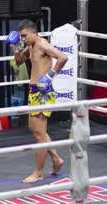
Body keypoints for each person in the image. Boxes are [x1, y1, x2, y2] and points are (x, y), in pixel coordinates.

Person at [7, 19, 67, 183]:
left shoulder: (41, 44)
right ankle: (56, 159)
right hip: (34, 92)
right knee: (35, 130)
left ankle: (38, 173)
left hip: (43, 93)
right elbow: (19, 62)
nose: (23, 39)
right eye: (21, 36)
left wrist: (49, 75)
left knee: (40, 134)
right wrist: (15, 47)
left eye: (25, 36)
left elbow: (62, 57)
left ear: (34, 32)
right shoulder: (31, 46)